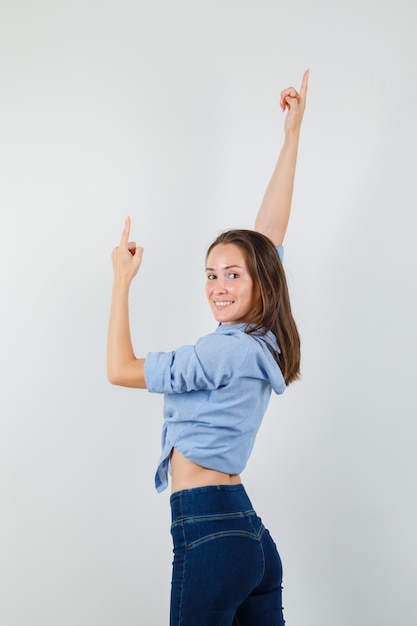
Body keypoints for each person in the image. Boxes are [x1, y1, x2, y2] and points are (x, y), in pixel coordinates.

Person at [107, 70, 309, 626]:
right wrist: (291, 136)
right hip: (249, 533)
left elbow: (119, 368)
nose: (218, 286)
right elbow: (269, 235)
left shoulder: (222, 351)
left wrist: (122, 280)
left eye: (233, 276)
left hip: (210, 531)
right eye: (211, 274)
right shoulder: (263, 341)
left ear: (260, 284)